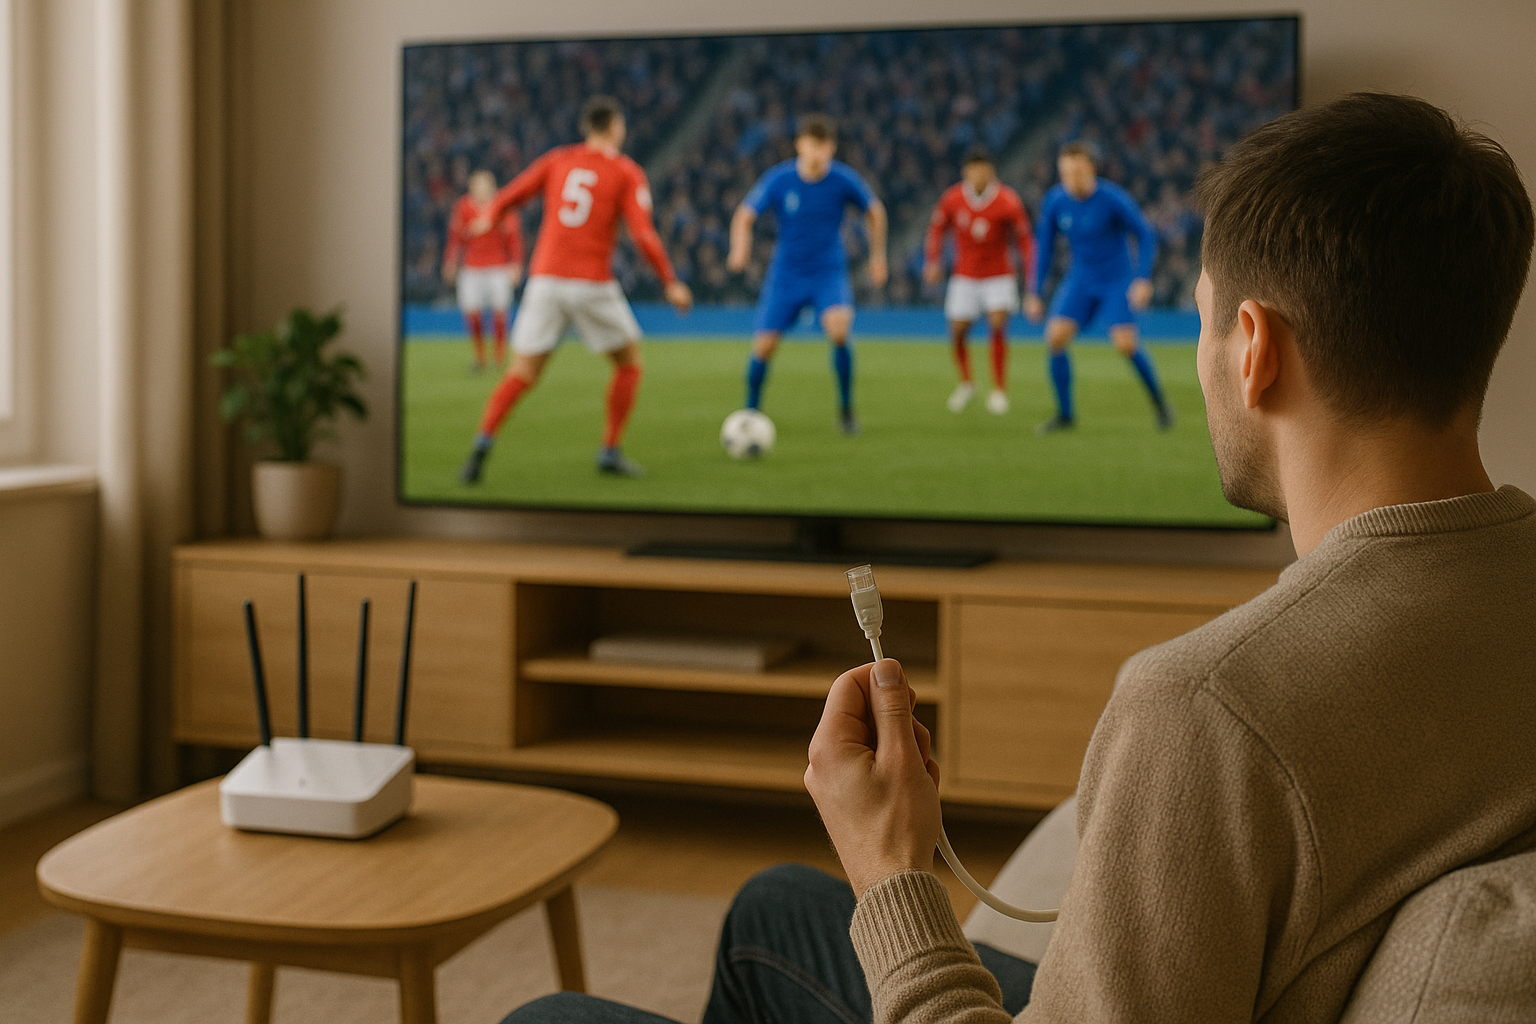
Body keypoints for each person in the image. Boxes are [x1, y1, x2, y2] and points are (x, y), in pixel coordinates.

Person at [499, 94, 1536, 1024]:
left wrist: (893, 869)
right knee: (777, 906)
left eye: (1207, 322)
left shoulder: (1210, 710)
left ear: (1255, 349)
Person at [459, 96, 693, 484]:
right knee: (629, 363)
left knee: (522, 372)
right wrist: (669, 281)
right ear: (615, 128)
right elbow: (643, 233)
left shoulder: (559, 159)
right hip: (590, 282)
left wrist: (490, 215)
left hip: (546, 279)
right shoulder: (625, 172)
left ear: (587, 128)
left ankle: (480, 449)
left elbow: (515, 192)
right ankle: (610, 450)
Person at [726, 114, 887, 436]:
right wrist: (739, 249)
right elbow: (744, 215)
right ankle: (751, 411)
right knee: (764, 347)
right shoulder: (780, 179)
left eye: (825, 147)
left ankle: (845, 410)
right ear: (800, 145)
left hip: (828, 271)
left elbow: (874, 210)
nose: (818, 153)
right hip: (786, 274)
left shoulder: (843, 180)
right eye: (813, 145)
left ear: (832, 148)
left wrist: (878, 256)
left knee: (839, 329)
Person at [1024, 141, 1173, 434]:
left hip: (1116, 279)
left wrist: (1142, 278)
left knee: (1126, 344)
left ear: (1091, 168)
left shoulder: (1112, 199)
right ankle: (1065, 416)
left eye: (1077, 171)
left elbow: (1145, 236)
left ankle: (1160, 404)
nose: (1071, 179)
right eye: (1065, 173)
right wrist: (1034, 292)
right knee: (1055, 338)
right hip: (1081, 279)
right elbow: (1044, 249)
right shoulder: (1055, 201)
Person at [923, 146, 1035, 415]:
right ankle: (967, 383)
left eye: (983, 170)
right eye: (974, 170)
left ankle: (998, 390)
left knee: (997, 323)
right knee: (958, 330)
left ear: (991, 172)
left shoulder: (1007, 200)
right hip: (965, 275)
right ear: (966, 172)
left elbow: (1025, 240)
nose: (978, 175)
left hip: (999, 274)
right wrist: (933, 259)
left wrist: (1030, 277)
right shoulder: (953, 198)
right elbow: (937, 228)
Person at [442, 169, 525, 373]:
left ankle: (498, 358)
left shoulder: (503, 205)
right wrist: (451, 262)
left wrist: (515, 264)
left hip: (498, 267)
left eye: (485, 186)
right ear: (471, 188)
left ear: (492, 187)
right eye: (478, 186)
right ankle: (480, 357)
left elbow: (514, 239)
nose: (482, 190)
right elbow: (455, 238)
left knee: (500, 311)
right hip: (472, 268)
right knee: (472, 312)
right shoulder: (463, 207)